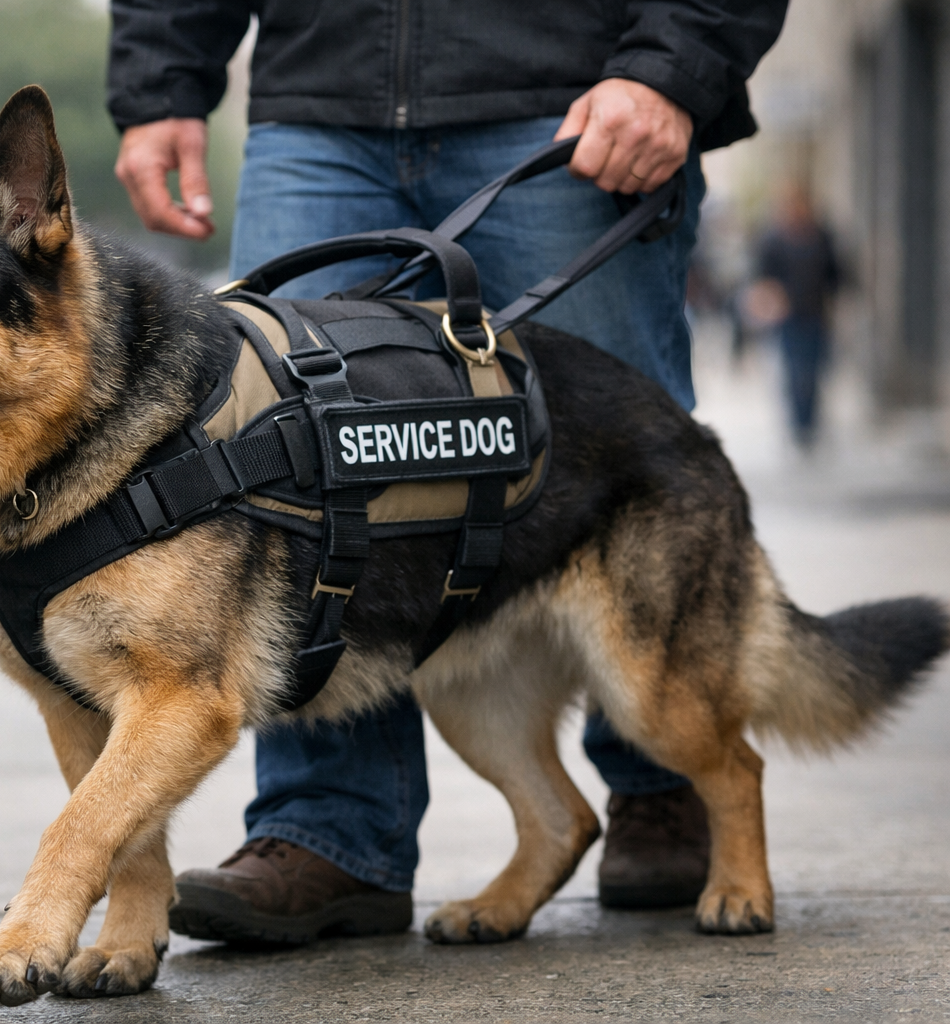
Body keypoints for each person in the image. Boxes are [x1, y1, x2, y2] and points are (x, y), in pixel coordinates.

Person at [107, 0, 788, 942]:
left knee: (614, 455)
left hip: (575, 88)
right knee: (290, 490)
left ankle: (668, 791)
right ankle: (329, 832)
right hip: (319, 95)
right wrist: (159, 85)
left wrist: (675, 65)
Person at [755, 182, 841, 450]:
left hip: (816, 314)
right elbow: (763, 276)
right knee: (794, 371)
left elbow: (835, 273)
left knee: (813, 371)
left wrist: (834, 300)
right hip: (788, 316)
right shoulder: (775, 240)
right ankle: (798, 425)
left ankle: (810, 422)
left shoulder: (821, 236)